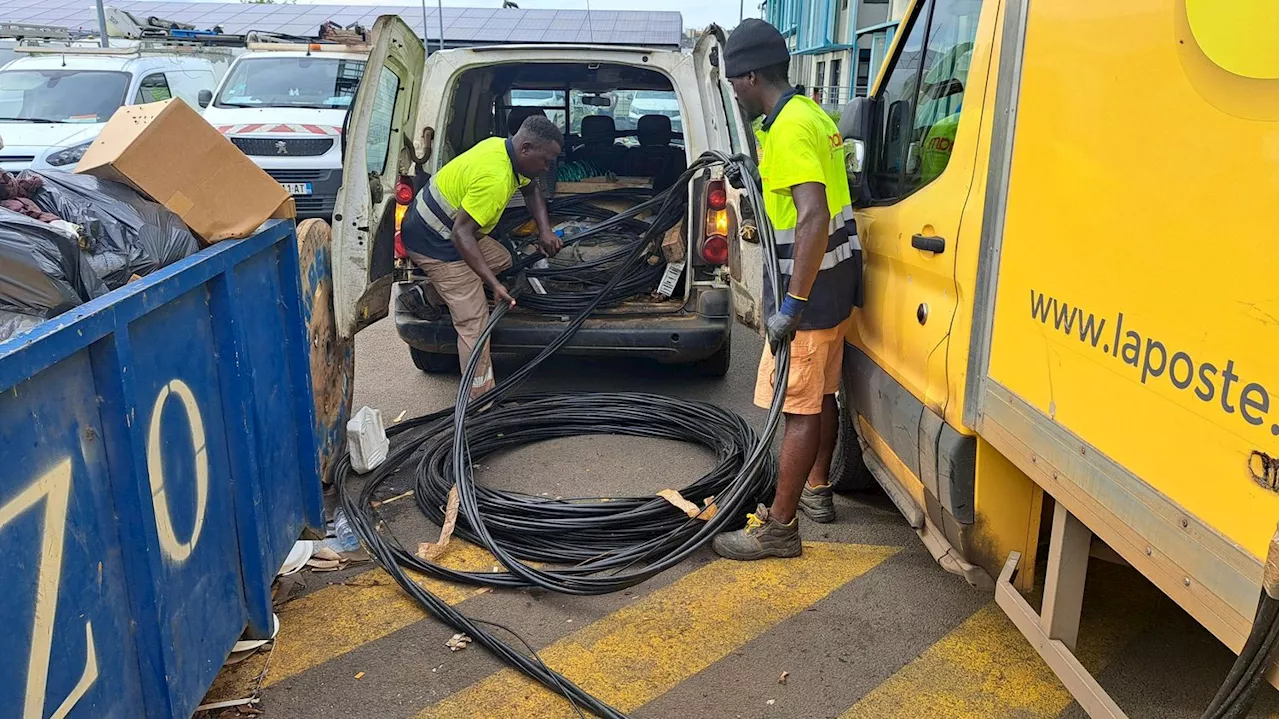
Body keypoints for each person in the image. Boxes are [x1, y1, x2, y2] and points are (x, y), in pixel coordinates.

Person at [712, 19, 863, 561]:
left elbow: (812, 216)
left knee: (797, 407)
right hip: (837, 281)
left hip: (810, 290)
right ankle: (818, 491)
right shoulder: (808, 116)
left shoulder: (793, 127)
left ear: (750, 77)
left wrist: (792, 305)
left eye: (733, 83)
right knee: (821, 393)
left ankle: (779, 527)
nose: (731, 91)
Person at [400, 115, 565, 398]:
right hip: (436, 242)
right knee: (475, 322)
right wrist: (493, 284)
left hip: (448, 230)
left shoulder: (504, 149)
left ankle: (431, 294)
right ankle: (481, 401)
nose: (548, 167)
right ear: (526, 148)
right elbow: (460, 236)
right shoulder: (496, 179)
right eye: (545, 161)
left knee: (504, 259)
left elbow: (530, 189)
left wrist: (545, 230)